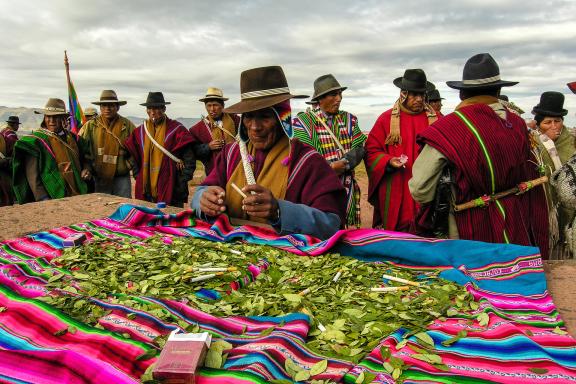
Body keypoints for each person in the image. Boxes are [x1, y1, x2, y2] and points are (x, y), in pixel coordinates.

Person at [409, 53, 548, 258]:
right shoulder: (518, 124)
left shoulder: (449, 129)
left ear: (462, 94)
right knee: (510, 277)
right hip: (514, 226)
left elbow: (420, 189)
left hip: (469, 229)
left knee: (475, 284)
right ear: (499, 90)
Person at [191, 66, 346, 239]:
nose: (255, 127)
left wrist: (279, 211)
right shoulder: (231, 154)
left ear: (283, 118)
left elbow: (331, 224)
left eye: (265, 117)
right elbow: (202, 191)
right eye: (249, 117)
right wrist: (202, 200)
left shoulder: (307, 162)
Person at [365, 69, 438, 231]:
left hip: (428, 187)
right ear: (403, 94)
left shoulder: (436, 119)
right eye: (414, 94)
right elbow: (371, 151)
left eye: (422, 94)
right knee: (398, 232)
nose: (419, 99)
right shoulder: (385, 119)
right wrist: (388, 161)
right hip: (397, 185)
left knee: (429, 233)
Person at [293, 74, 366, 228]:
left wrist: (345, 163)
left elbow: (360, 147)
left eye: (340, 94)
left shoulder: (349, 120)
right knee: (320, 225)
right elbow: (305, 155)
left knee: (342, 228)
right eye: (333, 94)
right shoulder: (303, 123)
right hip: (316, 186)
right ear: (320, 99)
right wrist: (330, 168)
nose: (339, 98)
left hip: (345, 185)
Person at [12, 98, 90, 203]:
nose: (52, 120)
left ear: (63, 118)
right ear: (44, 118)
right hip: (51, 196)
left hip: (77, 193)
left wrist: (86, 169)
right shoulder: (36, 141)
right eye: (48, 116)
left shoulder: (74, 139)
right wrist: (42, 198)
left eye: (56, 117)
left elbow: (86, 158)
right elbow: (32, 175)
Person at [124, 92, 195, 207]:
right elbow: (132, 155)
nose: (152, 112)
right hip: (146, 189)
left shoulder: (177, 130)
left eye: (156, 108)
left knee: (170, 221)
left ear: (164, 109)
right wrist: (138, 176)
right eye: (149, 108)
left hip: (171, 188)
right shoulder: (140, 132)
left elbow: (189, 158)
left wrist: (181, 181)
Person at [531, 91, 575, 259]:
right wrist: (545, 143)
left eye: (557, 121)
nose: (554, 126)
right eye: (547, 122)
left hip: (569, 209)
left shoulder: (571, 143)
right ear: (539, 124)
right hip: (544, 207)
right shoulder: (533, 143)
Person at [79, 90, 136, 198]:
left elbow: (137, 148)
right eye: (104, 105)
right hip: (99, 177)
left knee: (123, 208)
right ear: (100, 108)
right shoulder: (90, 126)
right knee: (101, 208)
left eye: (111, 105)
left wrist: (128, 164)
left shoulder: (127, 125)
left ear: (117, 107)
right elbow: (82, 150)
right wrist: (87, 168)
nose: (107, 109)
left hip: (121, 177)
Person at [189, 88, 239, 176]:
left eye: (215, 105)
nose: (212, 109)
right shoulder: (197, 129)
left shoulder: (236, 120)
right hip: (214, 173)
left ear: (222, 105)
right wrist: (208, 147)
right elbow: (193, 151)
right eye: (209, 105)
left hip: (237, 167)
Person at [0, 116, 20, 206]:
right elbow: (15, 149)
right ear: (14, 124)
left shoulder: (3, 131)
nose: (18, 127)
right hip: (6, 162)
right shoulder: (11, 134)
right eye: (17, 125)